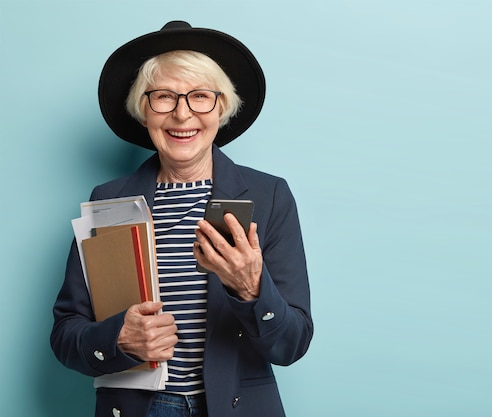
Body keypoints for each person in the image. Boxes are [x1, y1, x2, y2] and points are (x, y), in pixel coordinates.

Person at [50, 21, 313, 417]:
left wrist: (252, 289)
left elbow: (291, 345)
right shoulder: (108, 200)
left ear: (221, 108)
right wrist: (117, 338)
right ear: (144, 112)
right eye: (163, 98)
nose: (182, 113)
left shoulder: (269, 196)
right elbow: (66, 333)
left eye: (200, 96)